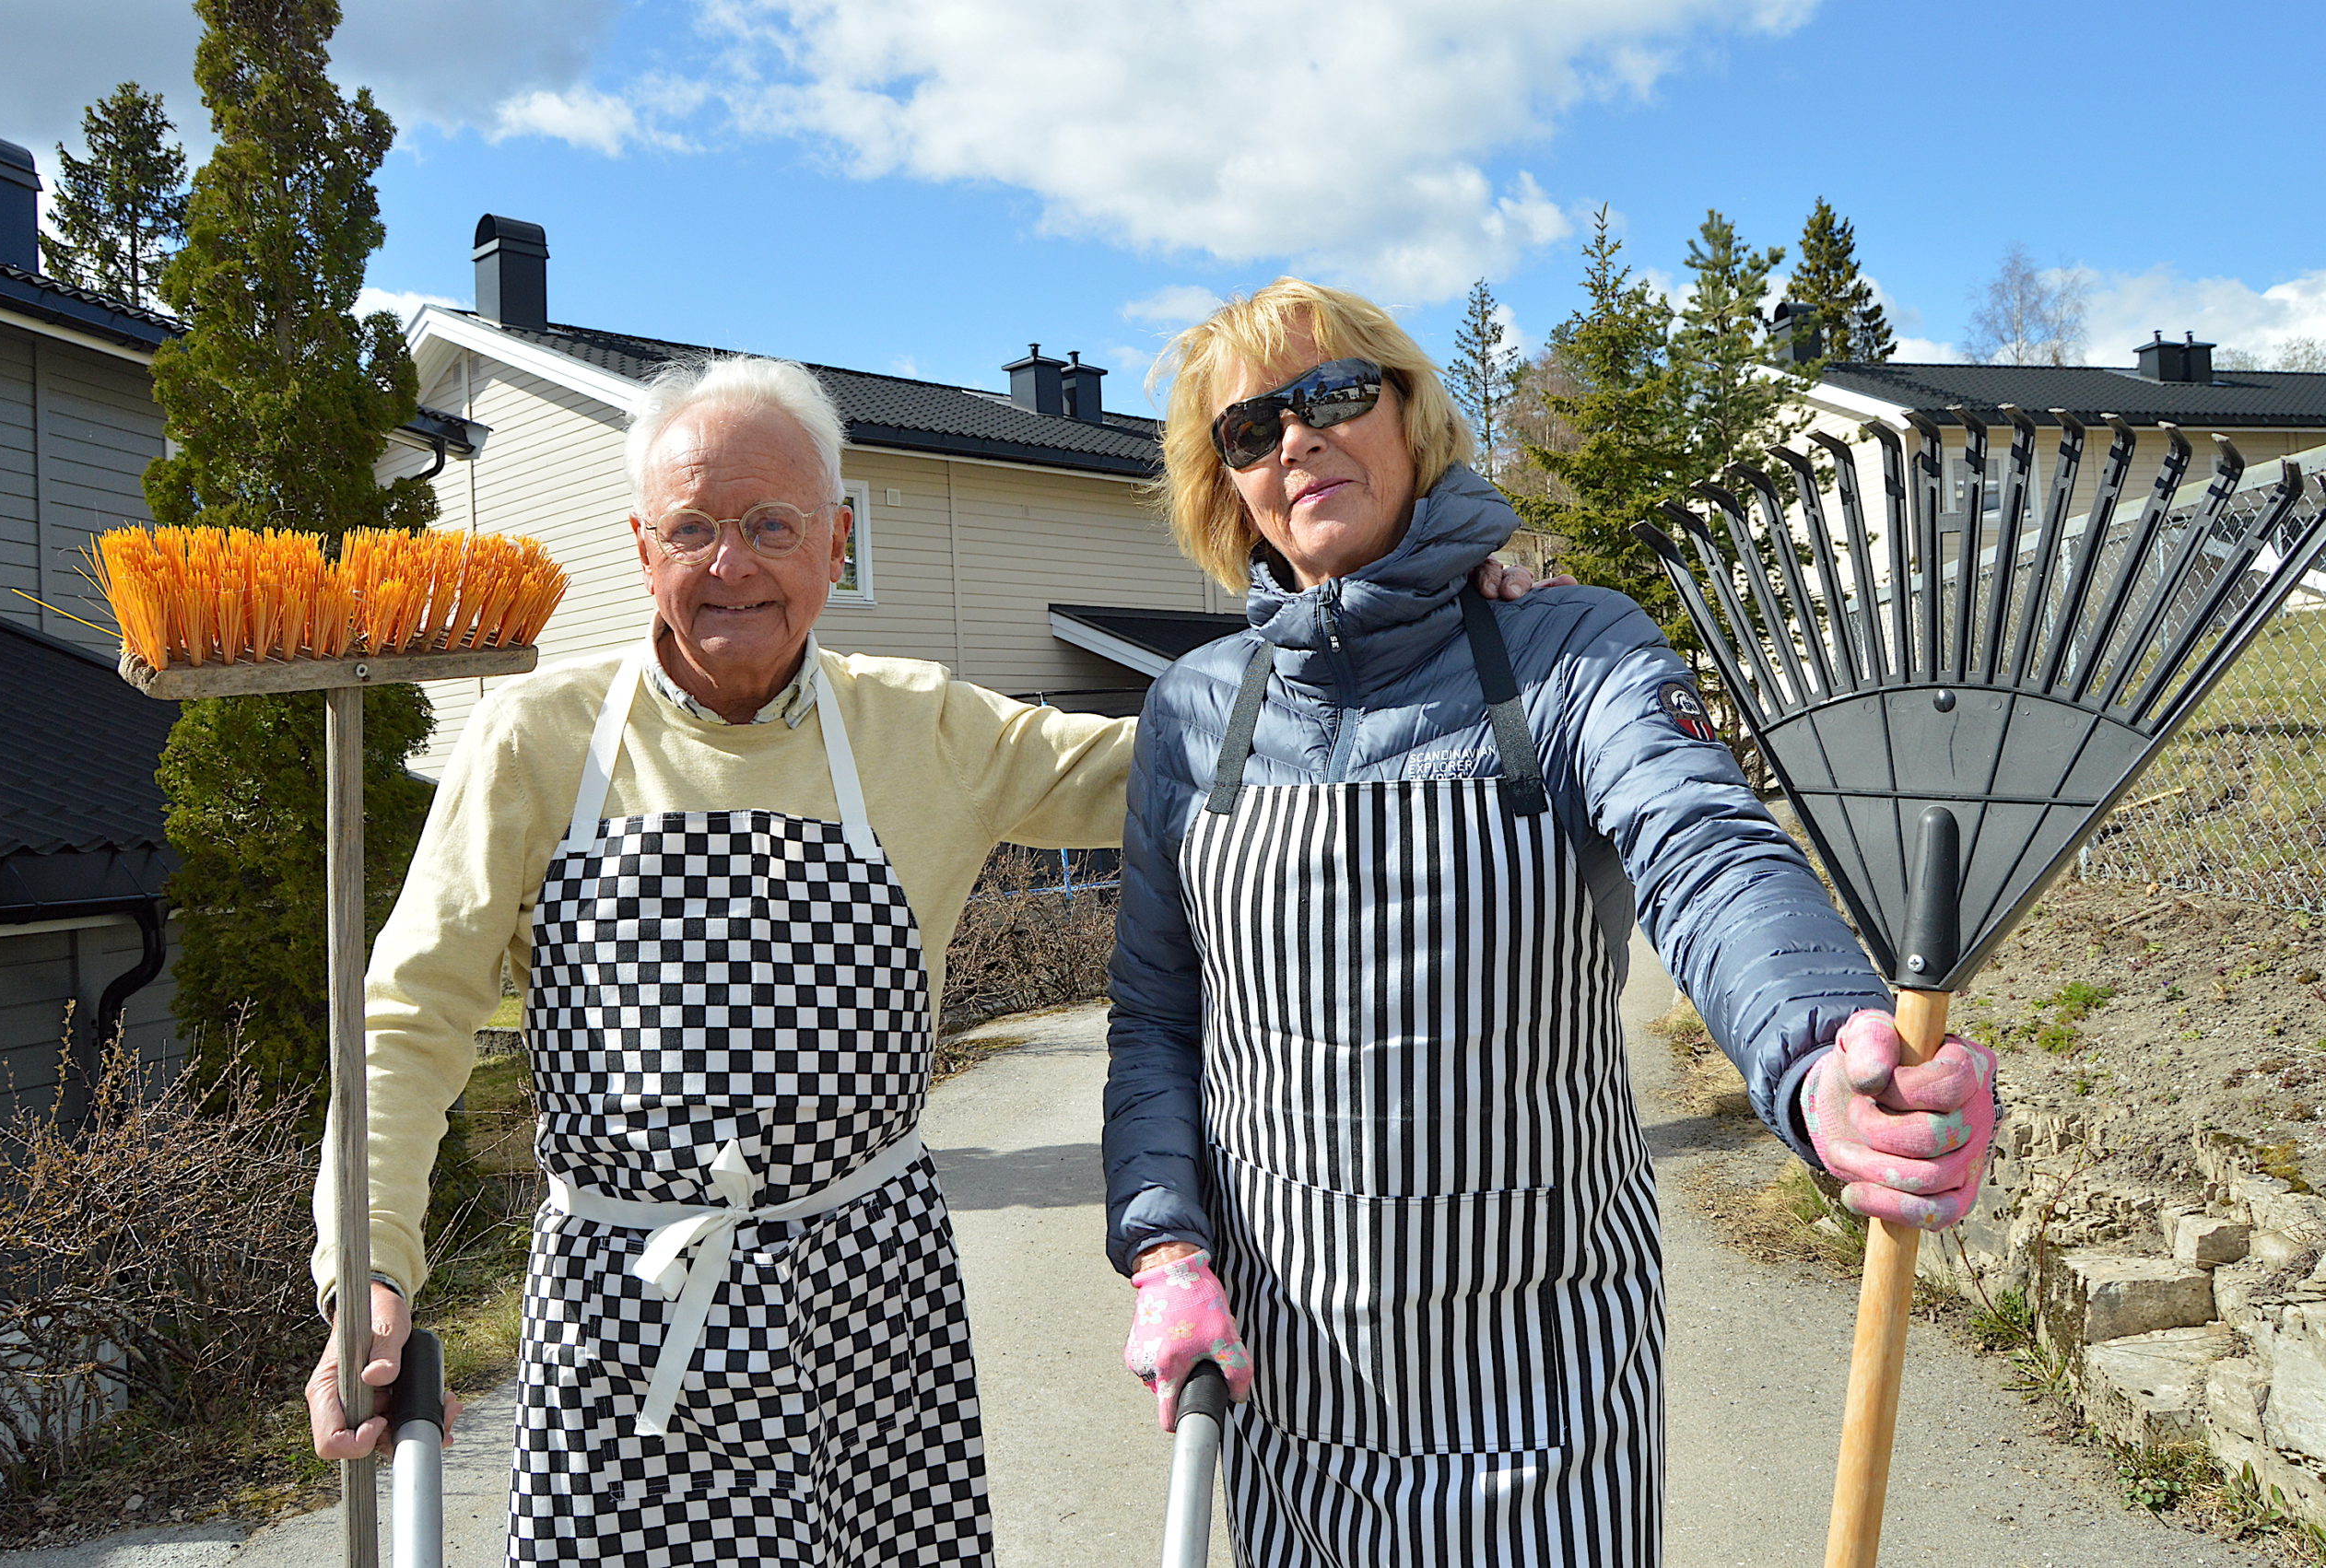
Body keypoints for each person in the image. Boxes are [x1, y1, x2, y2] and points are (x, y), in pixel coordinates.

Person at [304, 352, 1539, 1566]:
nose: (730, 563)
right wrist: (369, 1266)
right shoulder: (538, 739)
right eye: (691, 528)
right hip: (629, 1316)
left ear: (836, 543)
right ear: (642, 550)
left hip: (871, 1307)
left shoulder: (923, 725)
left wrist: (1405, 619)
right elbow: (409, 1017)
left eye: (771, 523)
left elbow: (1178, 759)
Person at [1101, 278, 1999, 1566]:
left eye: (1334, 395)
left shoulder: (1568, 648)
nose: (1294, 438)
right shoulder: (1192, 714)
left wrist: (1822, 1052)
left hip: (1541, 1389)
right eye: (1249, 430)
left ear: (1414, 418)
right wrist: (1165, 1241)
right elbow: (1157, 1019)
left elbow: (1705, 847)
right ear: (1223, 483)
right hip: (1289, 1386)